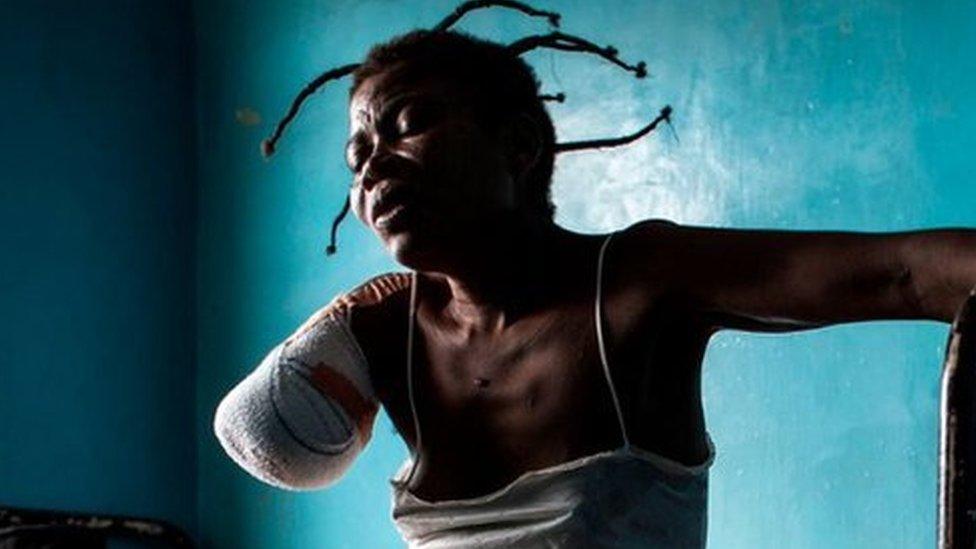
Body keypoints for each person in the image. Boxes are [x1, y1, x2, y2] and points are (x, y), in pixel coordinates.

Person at [214, 7, 976, 548]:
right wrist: (346, 310)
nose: (374, 166)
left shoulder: (639, 282)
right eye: (358, 158)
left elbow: (907, 275)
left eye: (408, 124)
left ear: (517, 147)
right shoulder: (385, 330)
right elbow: (271, 442)